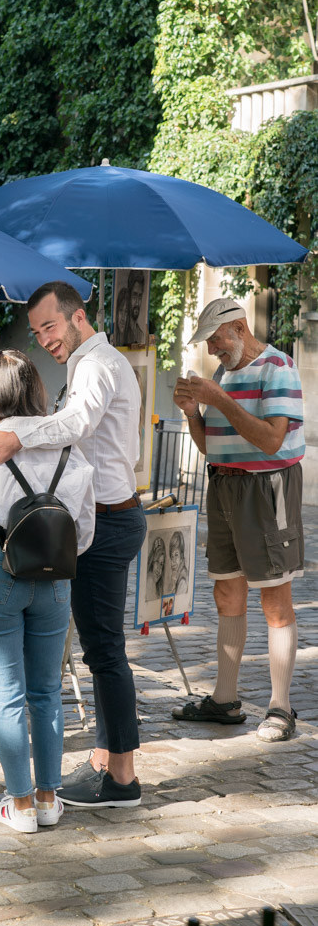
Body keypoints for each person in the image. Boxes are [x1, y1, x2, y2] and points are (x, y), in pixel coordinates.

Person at [0, 282, 147, 808]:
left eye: (50, 326)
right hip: (105, 519)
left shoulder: (95, 364)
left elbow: (78, 423)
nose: (44, 338)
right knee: (99, 649)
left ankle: (122, 780)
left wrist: (16, 435)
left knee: (105, 652)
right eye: (38, 330)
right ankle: (104, 759)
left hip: (106, 524)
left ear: (78, 316)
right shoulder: (88, 362)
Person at [0, 349, 95, 832]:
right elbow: (85, 529)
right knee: (47, 690)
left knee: (6, 693)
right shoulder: (69, 449)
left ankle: (21, 805)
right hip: (55, 577)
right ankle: (50, 798)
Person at [172, 298, 304, 742]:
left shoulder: (278, 367)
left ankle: (281, 707)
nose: (211, 349)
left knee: (274, 597)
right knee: (227, 588)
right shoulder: (223, 375)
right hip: (224, 484)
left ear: (240, 328)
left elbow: (270, 441)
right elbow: (211, 445)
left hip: (266, 489)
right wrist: (194, 413)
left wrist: (218, 399)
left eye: (215, 338)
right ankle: (225, 700)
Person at [127, 270, 146, 345]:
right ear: (129, 296)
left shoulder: (141, 334)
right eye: (134, 295)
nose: (137, 302)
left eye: (140, 296)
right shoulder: (122, 332)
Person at [146, 536, 166, 601]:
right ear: (152, 562)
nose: (159, 569)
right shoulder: (150, 580)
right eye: (157, 562)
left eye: (161, 564)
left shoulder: (156, 586)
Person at [169, 530, 189, 595]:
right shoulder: (177, 575)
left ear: (181, 556)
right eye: (172, 556)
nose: (173, 560)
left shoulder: (182, 581)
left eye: (176, 555)